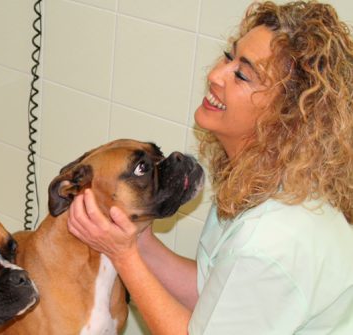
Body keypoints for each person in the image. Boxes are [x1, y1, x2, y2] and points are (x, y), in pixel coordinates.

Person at [67, 1, 353, 334]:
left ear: (288, 117)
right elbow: (218, 296)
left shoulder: (273, 240)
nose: (215, 75)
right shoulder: (257, 179)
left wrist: (124, 256)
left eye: (242, 75)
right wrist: (138, 242)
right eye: (229, 56)